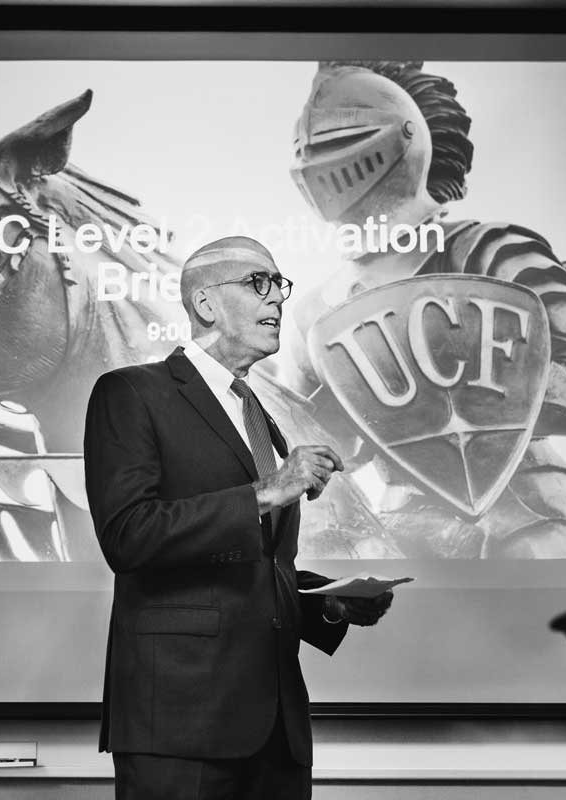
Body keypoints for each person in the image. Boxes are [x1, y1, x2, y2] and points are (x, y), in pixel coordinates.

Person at [282, 61, 566, 559]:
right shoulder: (316, 312)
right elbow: (305, 445)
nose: (321, 161)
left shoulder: (488, 251)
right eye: (313, 144)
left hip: (529, 509)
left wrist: (467, 398)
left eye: (340, 140)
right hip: (405, 527)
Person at [83, 235, 394, 800]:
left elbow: (257, 568)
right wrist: (265, 492)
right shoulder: (131, 392)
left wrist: (329, 602)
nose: (277, 299)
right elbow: (129, 537)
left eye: (280, 285)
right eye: (259, 283)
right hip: (180, 727)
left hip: (276, 732)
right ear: (205, 304)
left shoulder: (258, 411)